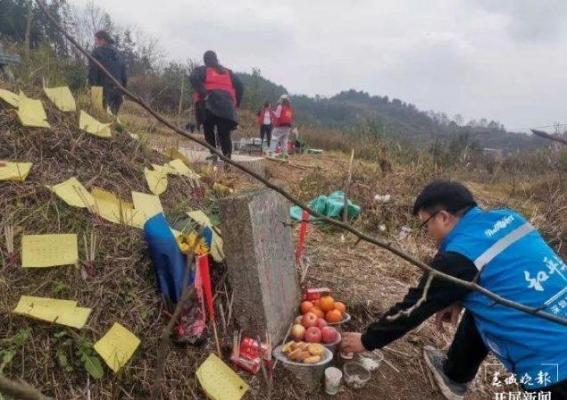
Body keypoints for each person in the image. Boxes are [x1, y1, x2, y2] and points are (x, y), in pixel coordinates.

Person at [341, 181, 567, 400]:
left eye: (425, 224)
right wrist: (457, 296)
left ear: (443, 217)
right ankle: (455, 374)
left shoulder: (458, 257)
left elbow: (415, 306)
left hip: (552, 363)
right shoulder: (510, 219)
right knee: (483, 304)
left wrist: (367, 340)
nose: (427, 232)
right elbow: (502, 273)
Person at [189, 51, 244, 161]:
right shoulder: (228, 72)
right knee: (224, 133)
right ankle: (227, 159)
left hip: (209, 103)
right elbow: (240, 86)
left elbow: (192, 77)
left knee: (208, 128)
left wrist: (203, 91)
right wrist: (236, 103)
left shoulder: (203, 70)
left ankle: (213, 152)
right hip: (226, 106)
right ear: (216, 59)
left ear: (205, 61)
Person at [88, 30, 127, 115]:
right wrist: (123, 92)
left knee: (100, 117)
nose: (96, 42)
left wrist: (92, 88)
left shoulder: (96, 52)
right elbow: (124, 75)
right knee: (113, 117)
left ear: (102, 40)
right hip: (118, 91)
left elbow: (93, 72)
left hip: (103, 91)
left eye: (96, 40)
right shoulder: (120, 54)